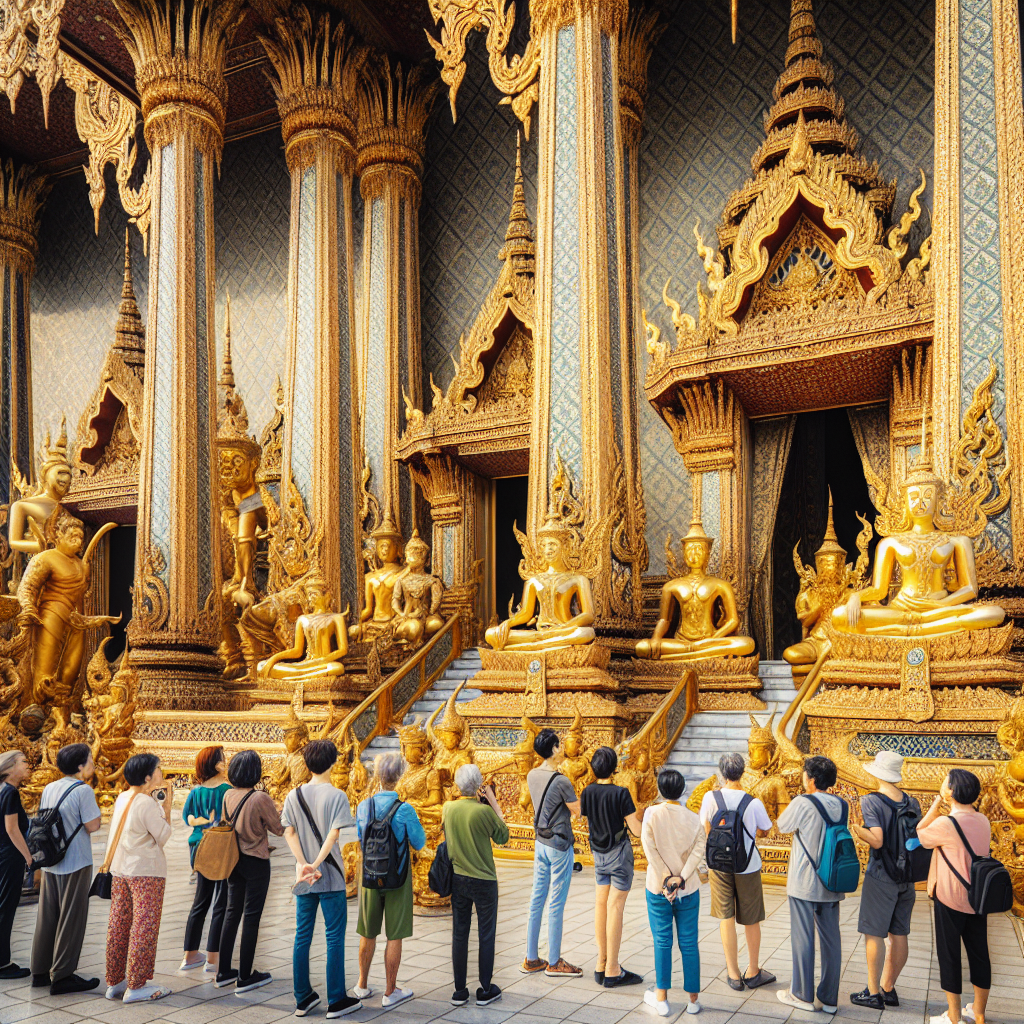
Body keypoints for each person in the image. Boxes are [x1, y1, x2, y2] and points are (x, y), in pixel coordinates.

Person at [281, 738, 359, 1019]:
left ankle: (303, 998)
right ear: (333, 761)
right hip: (330, 875)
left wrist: (303, 864)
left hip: (305, 878)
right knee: (333, 936)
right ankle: (336, 999)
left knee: (302, 936)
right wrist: (316, 863)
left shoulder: (293, 795)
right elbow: (334, 835)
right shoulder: (337, 796)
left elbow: (288, 832)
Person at [917, 769, 992, 1024]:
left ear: (952, 791)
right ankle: (979, 1013)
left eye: (945, 784)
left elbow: (920, 833)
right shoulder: (983, 820)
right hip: (979, 896)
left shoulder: (946, 824)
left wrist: (937, 802)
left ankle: (954, 1016)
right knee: (979, 952)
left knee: (949, 954)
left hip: (950, 896)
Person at [848, 750, 921, 1010]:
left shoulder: (871, 801)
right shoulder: (912, 802)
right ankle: (889, 988)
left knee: (874, 934)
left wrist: (858, 830)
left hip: (881, 875)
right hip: (907, 877)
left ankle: (873, 991)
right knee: (899, 933)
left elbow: (877, 839)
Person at [775, 755, 846, 1013]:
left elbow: (782, 826)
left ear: (812, 780)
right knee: (831, 940)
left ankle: (802, 995)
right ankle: (829, 999)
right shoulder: (842, 804)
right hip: (832, 880)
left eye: (805, 774)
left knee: (803, 937)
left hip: (804, 881)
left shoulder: (803, 802)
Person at [698, 752, 775, 991]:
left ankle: (732, 973)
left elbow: (706, 827)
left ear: (722, 774)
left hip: (719, 867)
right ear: (743, 772)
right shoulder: (753, 802)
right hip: (748, 866)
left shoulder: (711, 798)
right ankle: (753, 971)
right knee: (751, 919)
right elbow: (766, 831)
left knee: (726, 917)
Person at [355, 751, 425, 1009]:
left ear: (378, 776)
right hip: (398, 876)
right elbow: (419, 842)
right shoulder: (405, 809)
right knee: (394, 934)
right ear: (400, 777)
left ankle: (362, 984)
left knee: (367, 931)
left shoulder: (364, 806)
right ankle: (390, 990)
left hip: (370, 875)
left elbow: (361, 838)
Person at [30, 742, 102, 994]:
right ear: (80, 765)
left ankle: (40, 971)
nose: (93, 763)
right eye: (90, 759)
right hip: (75, 860)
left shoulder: (50, 787)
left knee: (47, 916)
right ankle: (62, 975)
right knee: (72, 917)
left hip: (51, 859)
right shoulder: (83, 790)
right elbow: (92, 825)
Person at [104, 752, 174, 1003]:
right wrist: (166, 807)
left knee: (119, 923)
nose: (161, 773)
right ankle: (137, 984)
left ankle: (115, 981)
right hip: (145, 871)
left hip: (121, 869)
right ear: (147, 777)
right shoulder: (146, 803)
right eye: (158, 769)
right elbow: (164, 836)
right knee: (144, 925)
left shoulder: (123, 797)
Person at [216, 749, 283, 994]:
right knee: (251, 918)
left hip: (234, 859)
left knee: (232, 913)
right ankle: (245, 975)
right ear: (255, 772)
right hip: (255, 860)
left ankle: (223, 971)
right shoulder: (260, 797)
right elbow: (278, 828)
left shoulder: (228, 795)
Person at [640, 767, 705, 1017]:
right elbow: (699, 852)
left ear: (659, 789)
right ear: (682, 790)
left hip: (658, 888)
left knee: (662, 941)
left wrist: (667, 879)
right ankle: (693, 1000)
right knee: (689, 943)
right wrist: (680, 878)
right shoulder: (693, 819)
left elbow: (650, 849)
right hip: (687, 889)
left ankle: (662, 998)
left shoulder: (652, 814)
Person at [443, 762, 509, 1007]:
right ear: (478, 785)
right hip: (484, 880)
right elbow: (503, 836)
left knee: (459, 933)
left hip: (458, 878)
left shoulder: (448, 808)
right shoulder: (484, 812)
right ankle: (485, 987)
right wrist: (494, 804)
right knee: (486, 934)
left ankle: (459, 990)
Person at [580, 746, 643, 987]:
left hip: (598, 854)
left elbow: (590, 819)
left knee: (600, 905)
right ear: (615, 767)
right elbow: (635, 831)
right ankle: (613, 968)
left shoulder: (587, 792)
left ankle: (601, 962)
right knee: (615, 907)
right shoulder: (621, 793)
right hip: (618, 854)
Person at [522, 728, 582, 977]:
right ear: (555, 749)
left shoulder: (532, 774)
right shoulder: (562, 780)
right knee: (556, 902)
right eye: (560, 745)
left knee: (537, 898)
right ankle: (555, 961)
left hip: (540, 843)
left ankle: (531, 957)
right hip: (559, 845)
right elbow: (577, 810)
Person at [181, 745, 231, 973]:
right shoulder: (226, 790)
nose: (226, 761)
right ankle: (213, 959)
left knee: (200, 902)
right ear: (215, 764)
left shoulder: (196, 792)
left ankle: (190, 955)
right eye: (223, 759)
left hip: (199, 850)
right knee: (220, 902)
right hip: (220, 849)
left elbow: (187, 818)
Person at [0, 751, 32, 980]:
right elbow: (12, 829)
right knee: (6, 908)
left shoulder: (2, 789)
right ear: (10, 768)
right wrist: (28, 857)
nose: (29, 765)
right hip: (10, 856)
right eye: (24, 762)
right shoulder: (10, 792)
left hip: (2, 854)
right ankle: (2, 964)